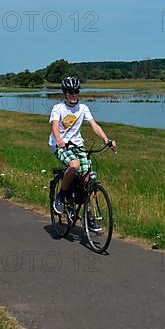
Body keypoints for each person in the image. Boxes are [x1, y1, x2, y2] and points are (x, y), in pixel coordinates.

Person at [49, 77, 117, 230]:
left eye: (76, 92)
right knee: (74, 165)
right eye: (70, 92)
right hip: (61, 146)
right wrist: (59, 139)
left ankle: (89, 217)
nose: (74, 95)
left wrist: (107, 139)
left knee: (89, 181)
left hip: (78, 145)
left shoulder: (83, 108)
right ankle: (61, 195)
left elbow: (94, 125)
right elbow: (54, 126)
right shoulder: (58, 108)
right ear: (65, 94)